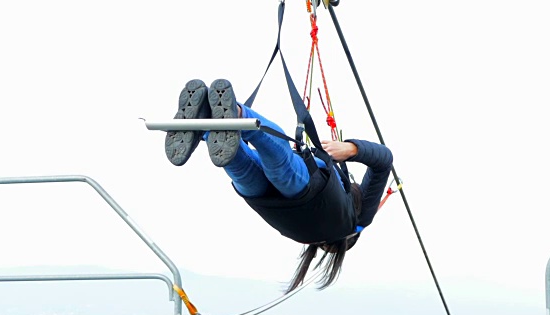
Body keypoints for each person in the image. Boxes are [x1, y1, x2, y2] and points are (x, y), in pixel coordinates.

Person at [164, 78, 393, 293]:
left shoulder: (359, 219)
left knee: (277, 155)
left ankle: (235, 113)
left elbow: (384, 161)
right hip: (263, 198)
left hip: (306, 188)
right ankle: (205, 126)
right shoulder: (305, 235)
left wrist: (351, 149)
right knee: (240, 165)